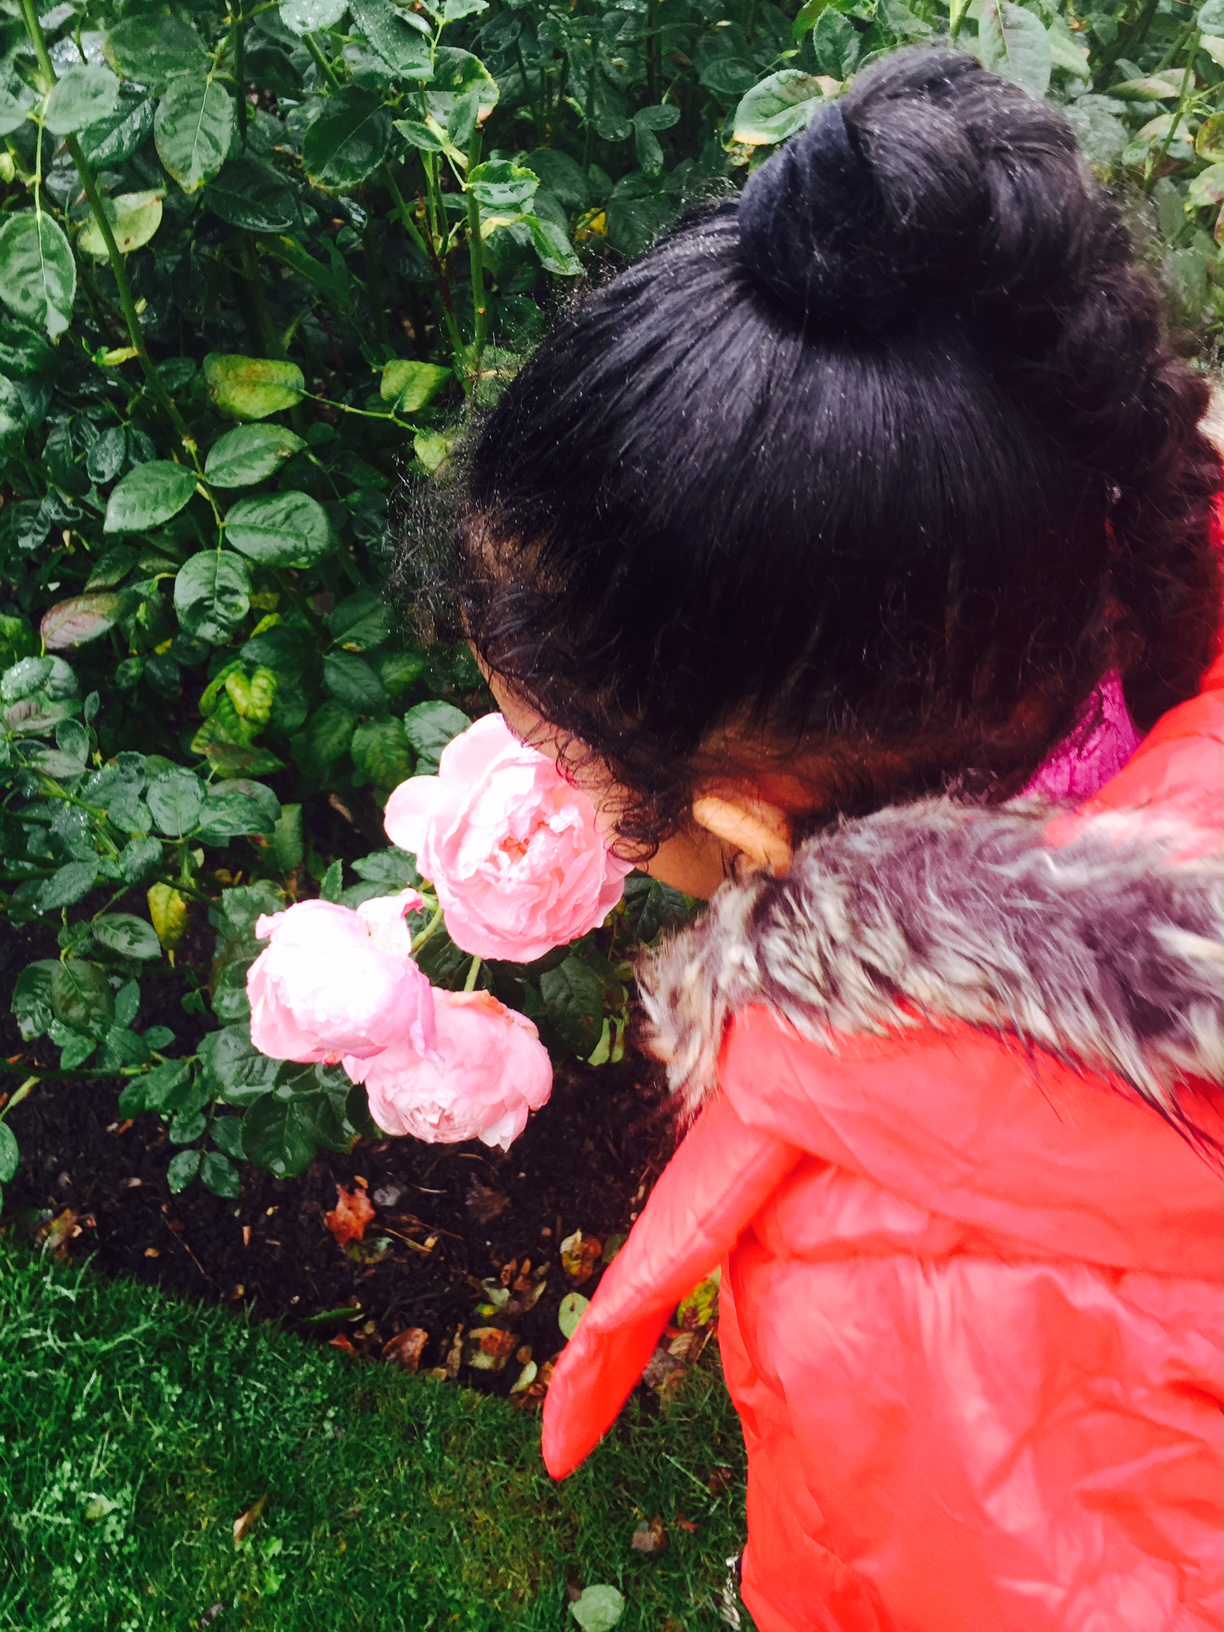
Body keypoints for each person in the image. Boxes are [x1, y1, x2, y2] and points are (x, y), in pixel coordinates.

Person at [445, 46, 1224, 1632]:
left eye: (560, 756)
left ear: (743, 812)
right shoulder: (1124, 607)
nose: (538, 791)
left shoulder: (913, 1269)